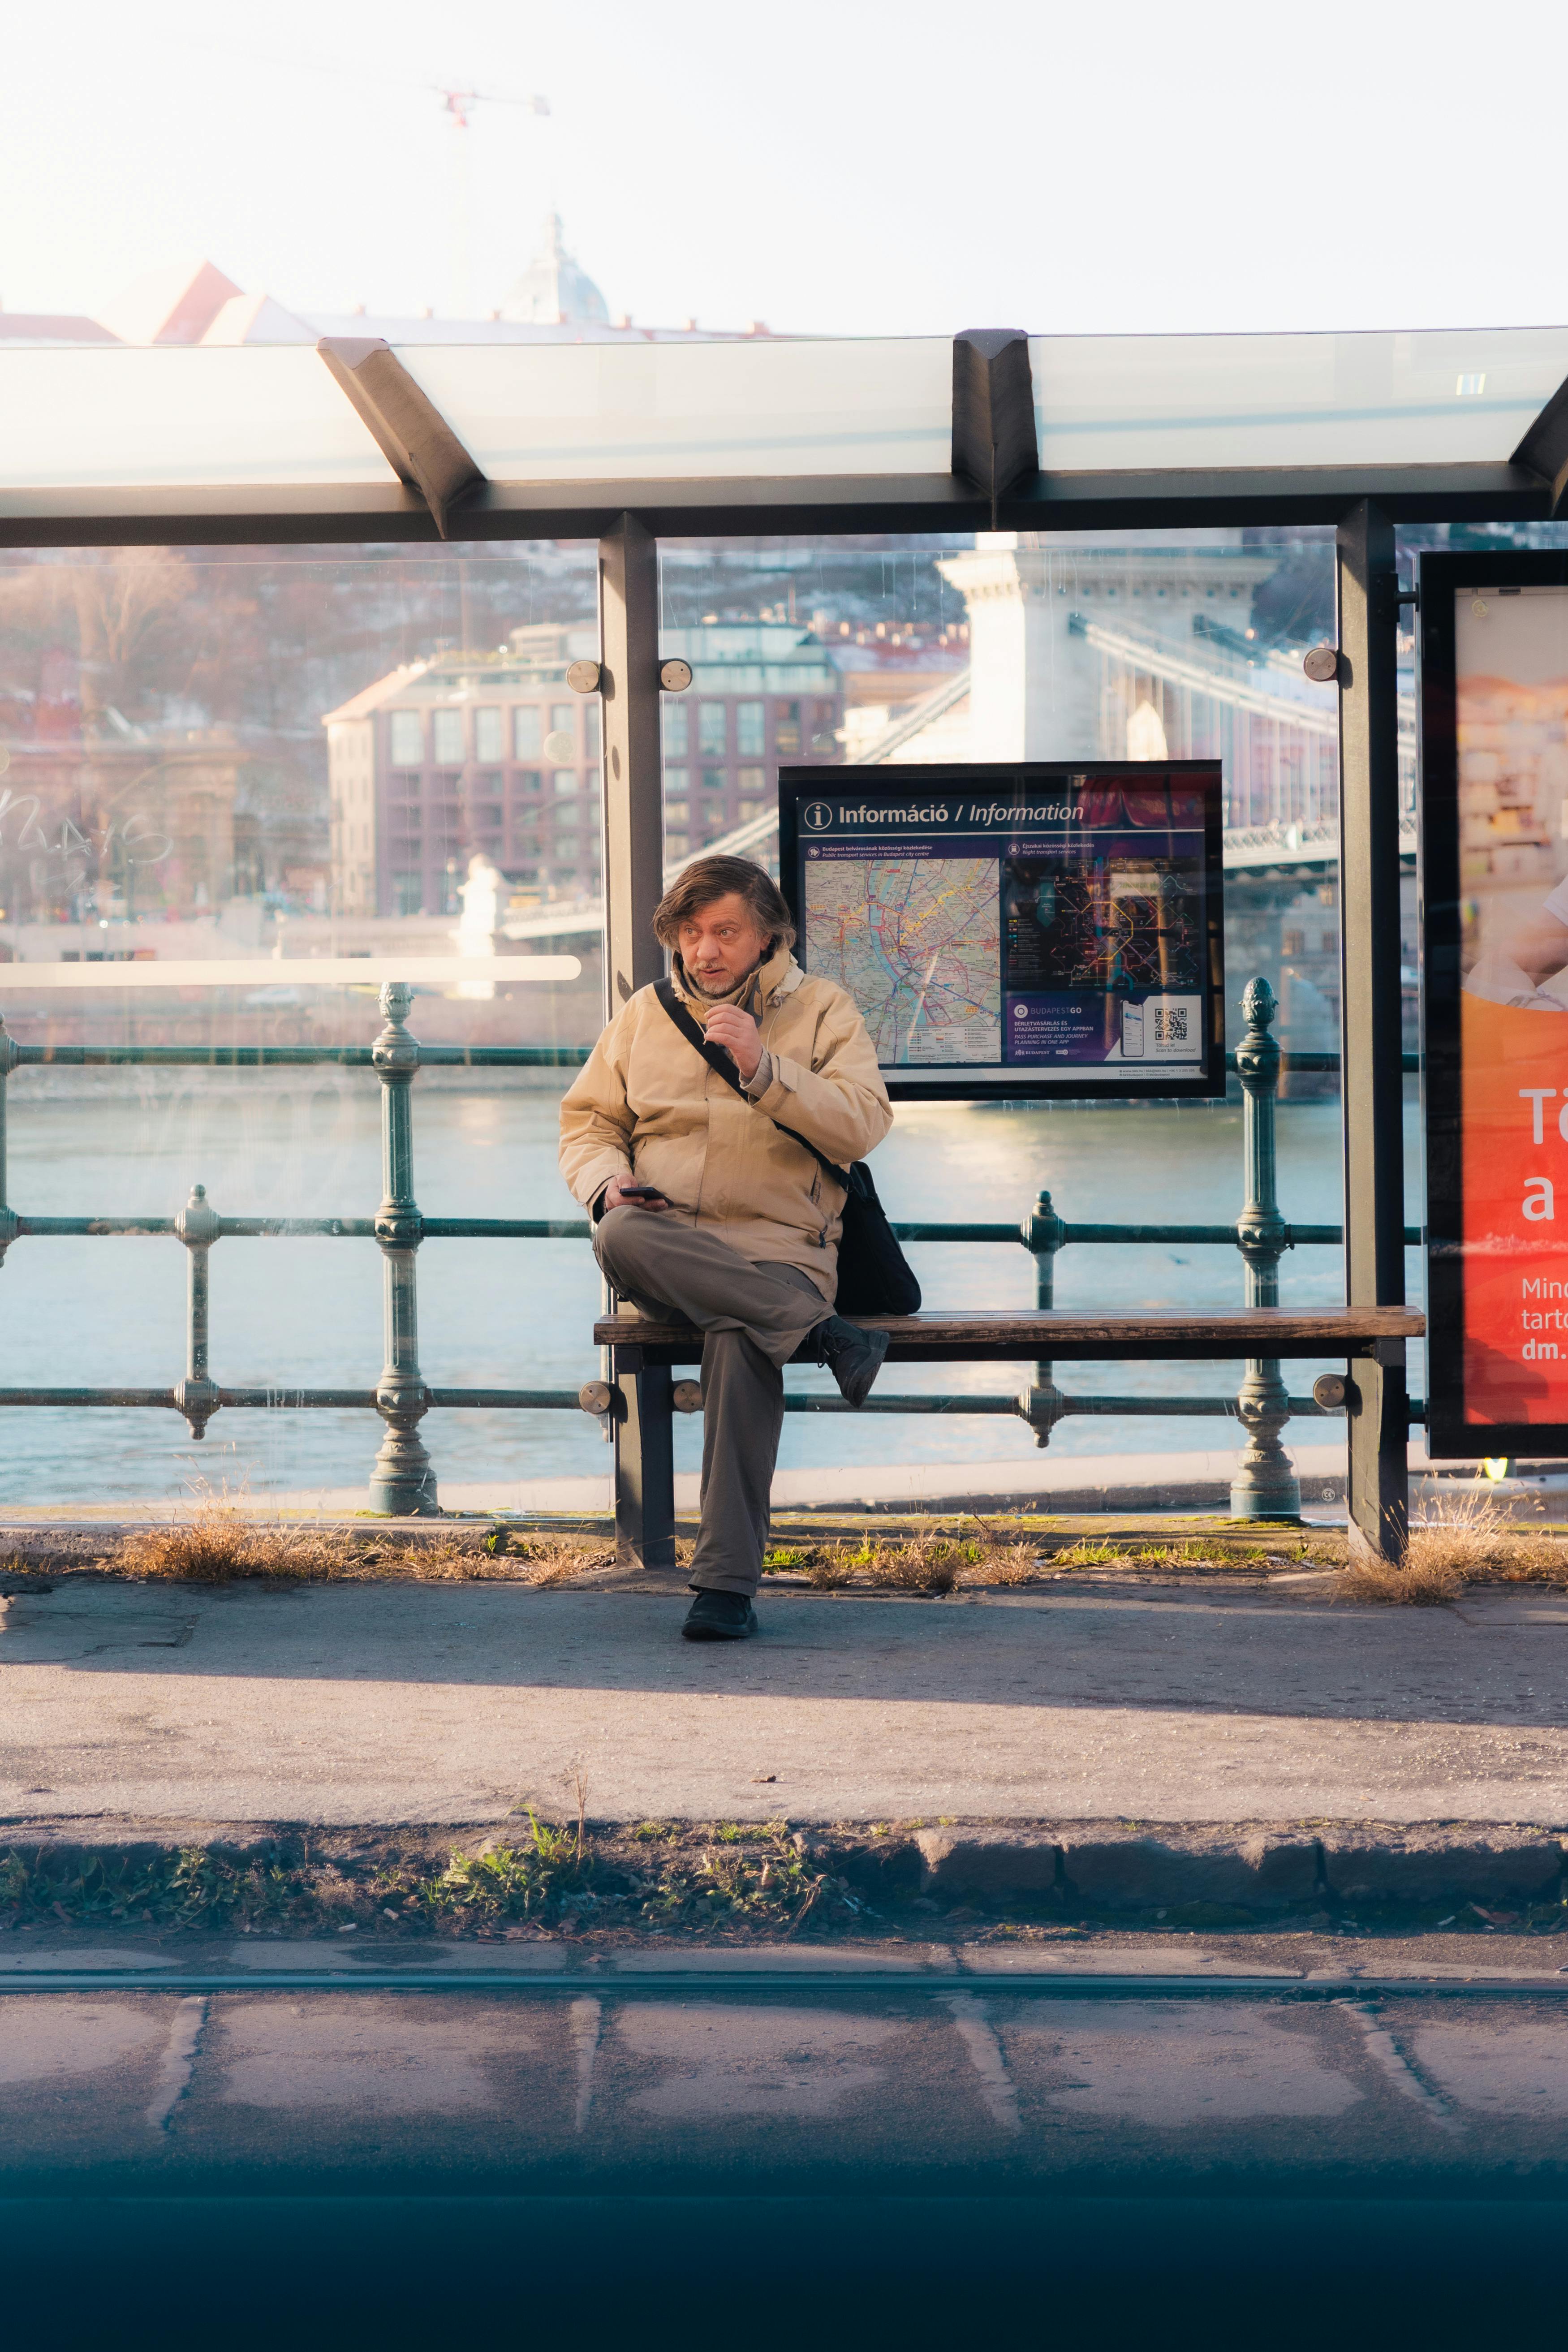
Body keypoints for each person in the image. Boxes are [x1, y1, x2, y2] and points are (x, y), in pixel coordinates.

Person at [558, 853, 893, 1642]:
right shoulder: (644, 1014)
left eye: (726, 931)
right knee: (617, 1228)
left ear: (768, 935)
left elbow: (862, 1122)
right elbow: (589, 1124)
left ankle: (724, 1588)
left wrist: (764, 1067)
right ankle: (820, 1332)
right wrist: (609, 1180)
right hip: (663, 1244)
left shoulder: (823, 1010)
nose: (704, 949)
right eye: (691, 931)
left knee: (741, 1334)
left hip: (781, 1248)